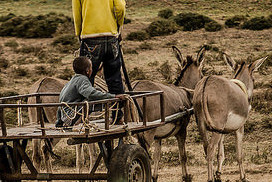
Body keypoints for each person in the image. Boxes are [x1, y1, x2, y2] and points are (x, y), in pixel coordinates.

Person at [72, 0, 126, 123]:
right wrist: (118, 26)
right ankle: (118, 116)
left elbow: (77, 13)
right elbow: (120, 7)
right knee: (114, 78)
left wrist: (79, 33)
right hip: (112, 36)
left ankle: (84, 115)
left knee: (85, 78)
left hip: (90, 37)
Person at [55, 56, 125, 127]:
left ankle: (104, 109)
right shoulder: (82, 79)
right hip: (70, 117)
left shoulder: (72, 80)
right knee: (93, 96)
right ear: (88, 70)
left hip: (64, 117)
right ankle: (78, 122)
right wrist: (113, 97)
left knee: (95, 93)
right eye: (91, 67)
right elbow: (91, 94)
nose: (92, 70)